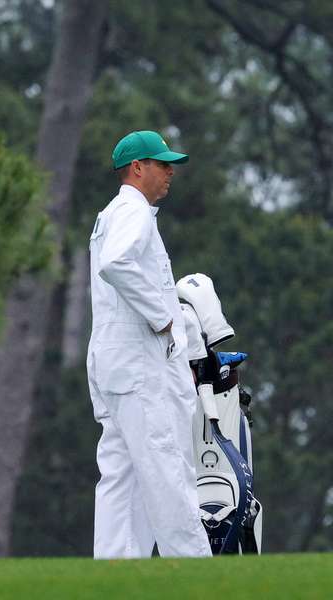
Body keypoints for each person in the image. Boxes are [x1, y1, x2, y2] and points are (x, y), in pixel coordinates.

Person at [86, 130, 211, 559]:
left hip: (112, 363)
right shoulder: (132, 210)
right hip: (140, 366)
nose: (170, 171)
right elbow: (116, 264)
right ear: (137, 169)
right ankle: (197, 572)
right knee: (167, 468)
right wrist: (162, 319)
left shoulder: (111, 214)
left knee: (120, 476)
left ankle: (115, 573)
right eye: (162, 163)